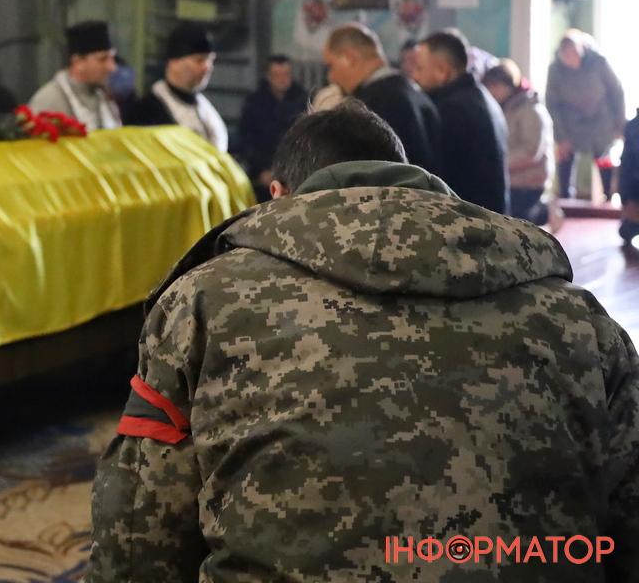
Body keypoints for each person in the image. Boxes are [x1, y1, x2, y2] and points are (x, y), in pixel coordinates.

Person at [88, 100, 639, 583]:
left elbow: (139, 525)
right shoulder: (575, 316)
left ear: (278, 194)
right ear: (411, 183)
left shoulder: (204, 301)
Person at [322, 23, 441, 173]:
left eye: (330, 65)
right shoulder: (414, 93)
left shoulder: (370, 106)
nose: (331, 77)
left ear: (349, 57)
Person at [413, 30, 510, 214]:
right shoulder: (481, 97)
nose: (414, 77)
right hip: (491, 219)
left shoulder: (452, 109)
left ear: (442, 70)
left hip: (469, 222)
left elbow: (441, 180)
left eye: (419, 68)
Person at [547, 29, 627, 200]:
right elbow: (552, 104)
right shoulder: (555, 70)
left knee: (604, 156)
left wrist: (620, 124)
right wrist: (560, 137)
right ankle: (566, 198)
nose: (572, 59)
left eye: (575, 53)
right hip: (571, 122)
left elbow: (617, 91)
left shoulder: (599, 62)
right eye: (567, 55)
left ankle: (608, 196)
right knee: (565, 157)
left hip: (601, 120)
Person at [126, 22, 229, 152]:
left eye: (210, 60)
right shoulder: (146, 111)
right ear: (174, 63)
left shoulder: (205, 107)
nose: (207, 68)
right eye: (199, 60)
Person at [483, 60, 554, 224]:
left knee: (515, 222)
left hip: (528, 180)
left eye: (493, 86)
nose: (490, 92)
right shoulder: (505, 107)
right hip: (510, 177)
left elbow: (531, 151)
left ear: (505, 85)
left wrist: (497, 162)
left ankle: (545, 212)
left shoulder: (531, 109)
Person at [234, 54, 308, 200]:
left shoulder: (302, 101)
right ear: (268, 77)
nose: (282, 79)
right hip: (263, 175)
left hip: (294, 173)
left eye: (286, 74)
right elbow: (247, 139)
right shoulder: (255, 104)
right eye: (277, 75)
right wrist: (260, 171)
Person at [29, 20, 121, 131]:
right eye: (102, 59)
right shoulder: (49, 101)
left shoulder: (105, 98)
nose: (112, 67)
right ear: (78, 62)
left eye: (112, 59)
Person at [619, 109, 639, 244]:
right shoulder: (634, 127)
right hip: (636, 192)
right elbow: (626, 167)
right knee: (626, 231)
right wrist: (627, 200)